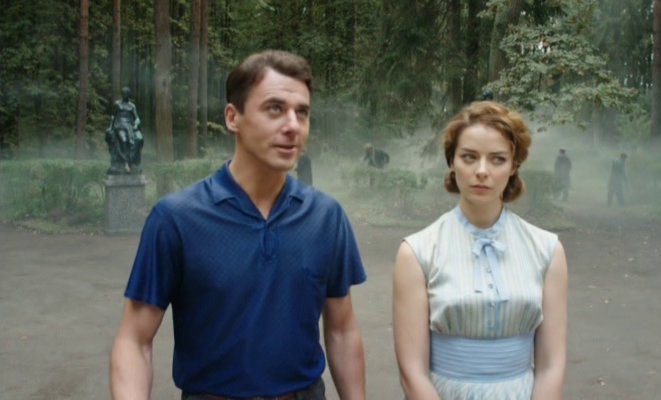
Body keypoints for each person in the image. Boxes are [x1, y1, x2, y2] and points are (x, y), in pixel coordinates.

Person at [110, 50, 367, 400]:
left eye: (302, 112)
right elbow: (134, 340)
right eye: (275, 108)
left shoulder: (326, 217)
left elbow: (342, 330)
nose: (293, 125)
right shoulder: (176, 219)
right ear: (233, 117)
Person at [393, 101, 568, 399]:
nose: (482, 171)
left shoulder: (547, 250)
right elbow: (412, 371)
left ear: (514, 166)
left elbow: (552, 365)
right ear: (452, 162)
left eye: (497, 159)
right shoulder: (417, 252)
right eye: (469, 157)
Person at [105, 86, 144, 174]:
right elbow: (113, 117)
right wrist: (110, 127)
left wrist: (136, 125)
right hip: (119, 125)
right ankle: (125, 163)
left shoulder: (132, 106)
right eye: (123, 93)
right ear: (122, 94)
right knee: (124, 140)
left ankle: (132, 163)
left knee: (137, 139)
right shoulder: (117, 104)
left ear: (129, 95)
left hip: (130, 126)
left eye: (126, 93)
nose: (125, 95)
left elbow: (137, 118)